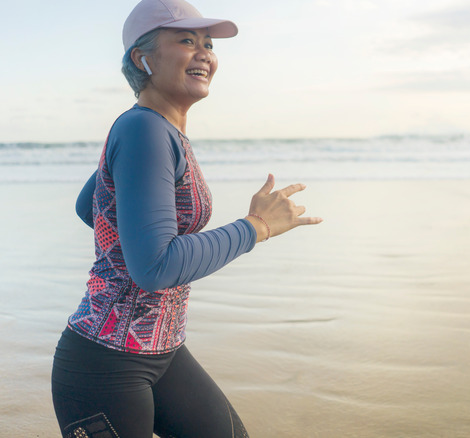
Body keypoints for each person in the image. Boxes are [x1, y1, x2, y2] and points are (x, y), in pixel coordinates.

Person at [51, 1, 322, 436]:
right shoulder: (145, 130)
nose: (205, 54)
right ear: (143, 59)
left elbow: (92, 206)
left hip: (164, 351)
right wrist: (257, 227)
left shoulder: (157, 128)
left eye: (208, 44)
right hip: (105, 366)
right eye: (186, 40)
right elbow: (156, 267)